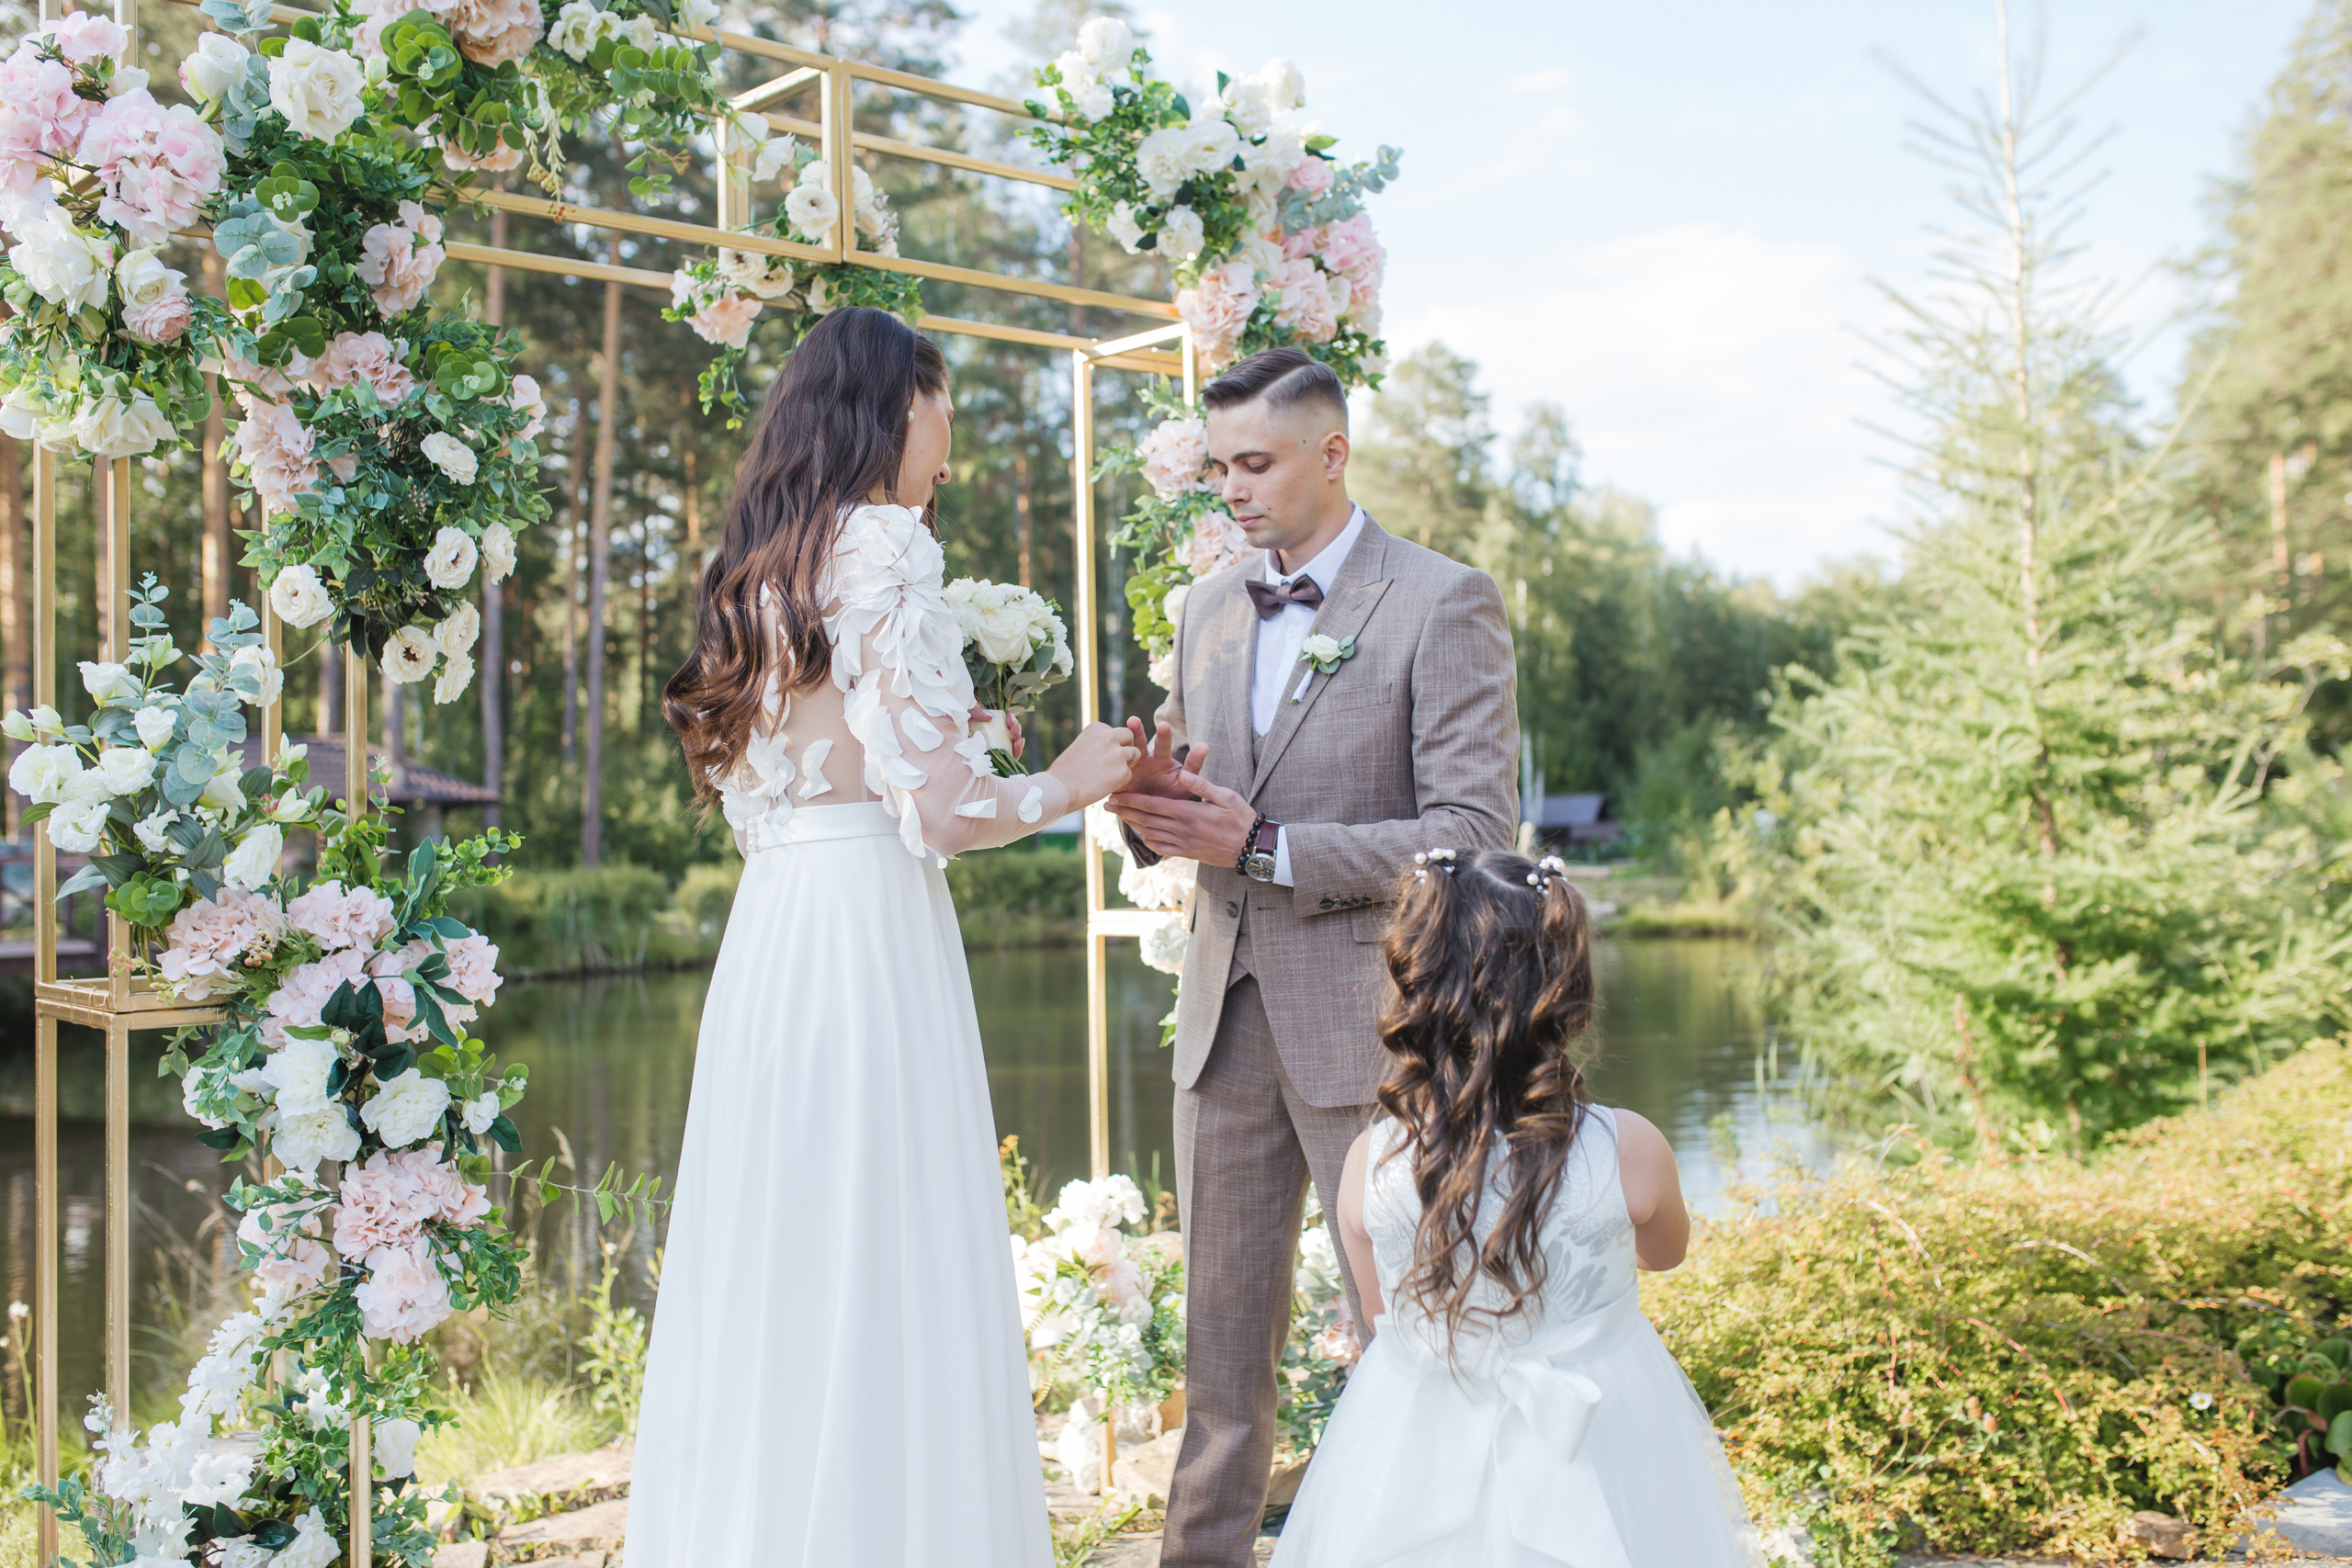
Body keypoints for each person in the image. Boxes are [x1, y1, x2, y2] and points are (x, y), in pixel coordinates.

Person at [627, 307, 1139, 1568]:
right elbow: (945, 812)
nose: (950, 435)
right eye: (940, 403)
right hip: (869, 935)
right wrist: (1074, 778)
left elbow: (835, 766)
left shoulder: (761, 567)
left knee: (785, 1251)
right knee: (886, 1242)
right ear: (887, 409)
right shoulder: (888, 547)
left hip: (777, 939)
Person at [1108, 346, 1521, 1566]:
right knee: (1219, 1358)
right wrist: (1151, 807)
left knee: (1409, 1337)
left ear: (1332, 453)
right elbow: (1207, 806)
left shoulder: (1444, 599)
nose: (1232, 488)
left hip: (1370, 1029)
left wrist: (1276, 844)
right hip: (1222, 1020)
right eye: (1217, 465)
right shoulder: (1205, 608)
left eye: (1256, 462)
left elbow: (1474, 838)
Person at [1272, 848, 1762, 1568]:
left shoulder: (1369, 1164)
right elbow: (1664, 1251)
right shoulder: (1631, 1149)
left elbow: (1389, 1319)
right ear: (1565, 989)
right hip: (1599, 1437)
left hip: (1415, 1449)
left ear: (1416, 987)